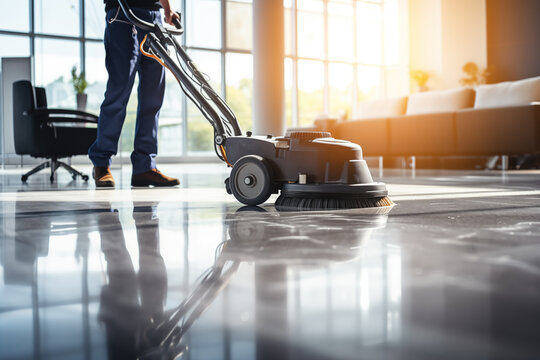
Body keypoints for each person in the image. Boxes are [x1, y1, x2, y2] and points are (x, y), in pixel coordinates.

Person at [89, 0, 180, 188]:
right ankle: (101, 163)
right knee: (119, 92)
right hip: (123, 13)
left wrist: (168, 9)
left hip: (154, 19)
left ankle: (144, 167)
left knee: (152, 98)